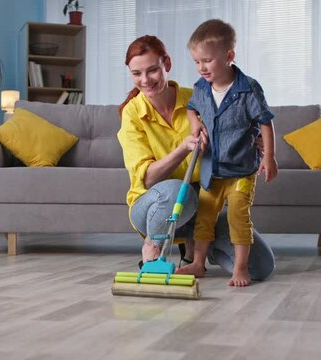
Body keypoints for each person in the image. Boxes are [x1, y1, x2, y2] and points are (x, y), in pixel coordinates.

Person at [117, 34, 275, 281]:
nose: (145, 80)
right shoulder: (132, 113)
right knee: (177, 191)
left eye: (152, 70)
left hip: (202, 204)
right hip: (155, 206)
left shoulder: (200, 97)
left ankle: (198, 250)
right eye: (136, 74)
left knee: (261, 267)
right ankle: (152, 247)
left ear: (166, 64)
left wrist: (252, 142)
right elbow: (148, 179)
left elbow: (243, 120)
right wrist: (183, 148)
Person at [175, 19, 278, 287]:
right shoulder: (200, 88)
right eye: (196, 61)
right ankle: (198, 263)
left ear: (229, 56)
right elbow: (190, 108)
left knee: (237, 217)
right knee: (205, 216)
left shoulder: (248, 89)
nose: (201, 67)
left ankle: (240, 268)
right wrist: (195, 123)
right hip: (211, 169)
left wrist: (269, 157)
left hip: (241, 170)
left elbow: (265, 121)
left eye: (207, 61)